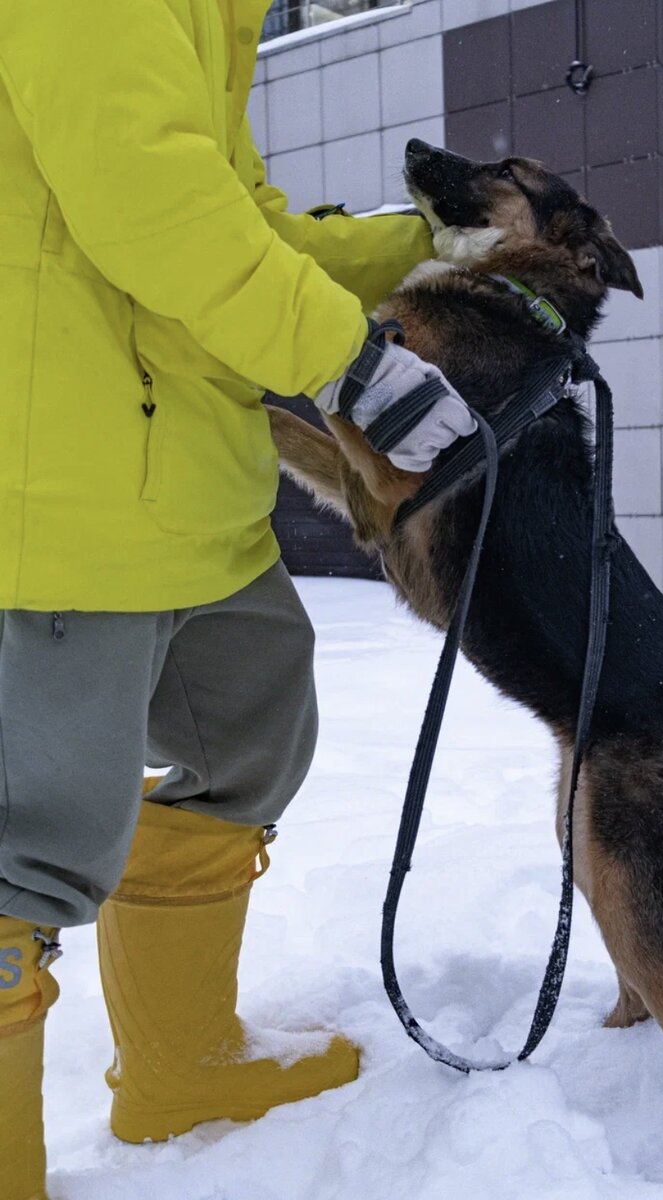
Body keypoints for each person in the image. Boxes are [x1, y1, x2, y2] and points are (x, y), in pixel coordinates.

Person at [0, 4, 475, 1197]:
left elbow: (239, 218)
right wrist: (352, 364)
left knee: (252, 726)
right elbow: (151, 200)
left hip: (184, 479)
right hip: (58, 490)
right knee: (32, 844)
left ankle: (181, 1065)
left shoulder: (205, 15)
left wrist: (423, 247)